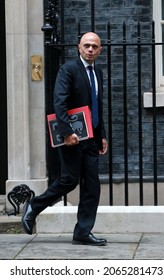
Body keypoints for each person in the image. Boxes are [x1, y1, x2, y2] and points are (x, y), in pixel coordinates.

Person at [22, 32, 108, 246]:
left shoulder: (98, 72)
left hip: (91, 138)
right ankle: (34, 206)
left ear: (100, 50)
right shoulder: (68, 69)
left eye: (94, 46)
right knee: (69, 180)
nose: (90, 49)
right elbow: (59, 102)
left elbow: (96, 106)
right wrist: (67, 132)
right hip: (72, 137)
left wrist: (102, 135)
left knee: (92, 186)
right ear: (79, 47)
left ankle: (82, 232)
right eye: (86, 45)